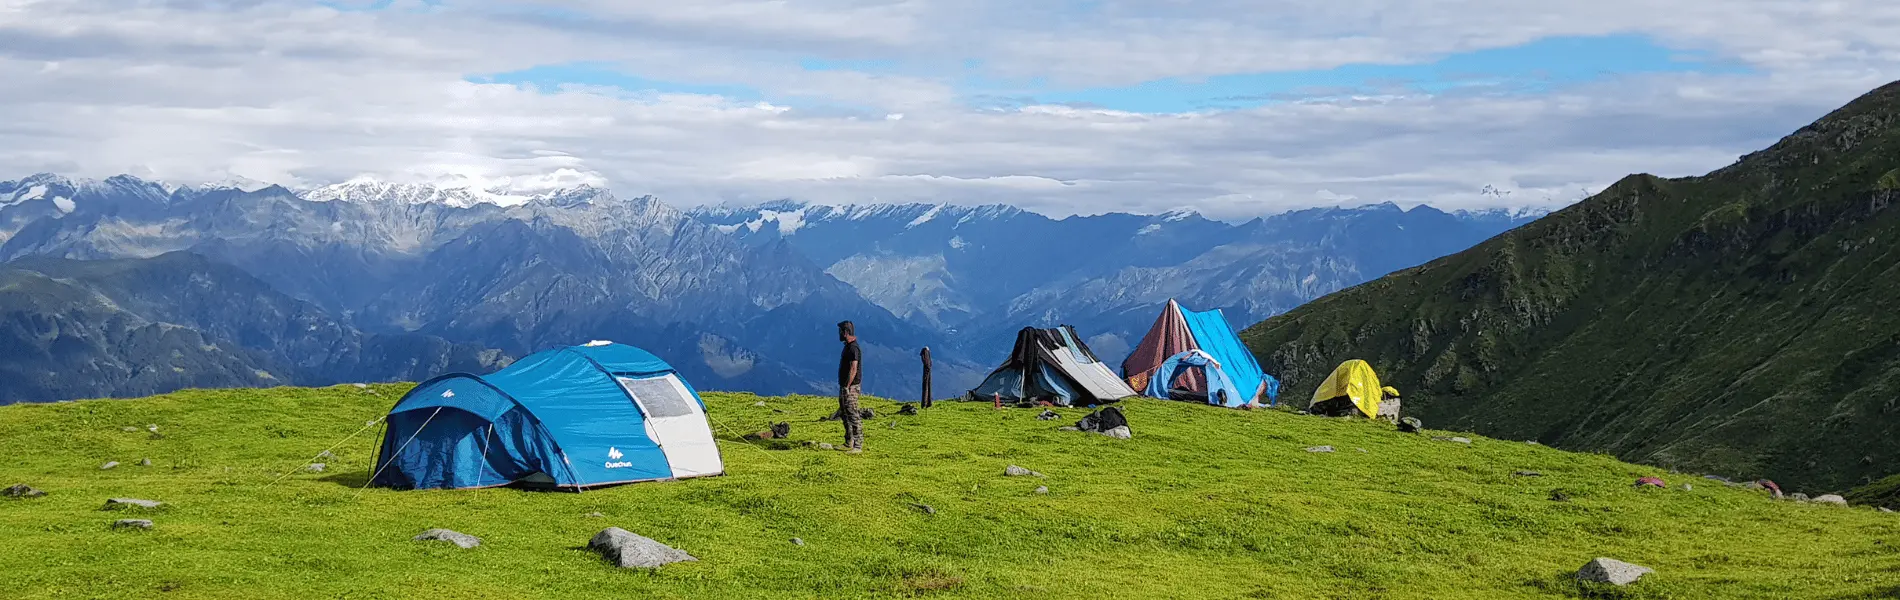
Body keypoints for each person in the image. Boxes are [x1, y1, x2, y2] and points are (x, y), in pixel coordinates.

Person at [837, 321, 863, 453]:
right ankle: (849, 441)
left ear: (846, 332)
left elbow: (854, 368)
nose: (839, 334)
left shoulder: (853, 348)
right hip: (844, 386)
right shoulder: (847, 347)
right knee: (844, 412)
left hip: (851, 387)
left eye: (840, 331)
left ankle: (858, 445)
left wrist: (847, 386)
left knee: (852, 413)